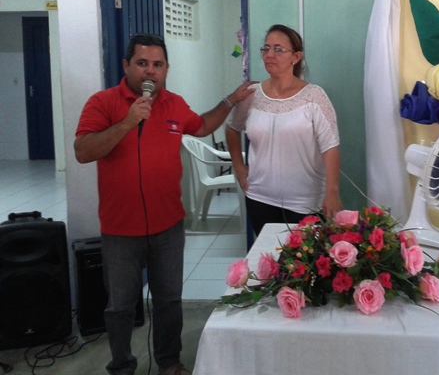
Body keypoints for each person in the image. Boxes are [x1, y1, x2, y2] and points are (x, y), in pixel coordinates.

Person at [74, 33, 255, 375]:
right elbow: (83, 151)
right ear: (126, 65)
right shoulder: (103, 102)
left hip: (168, 226)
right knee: (120, 306)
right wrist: (128, 122)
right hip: (120, 229)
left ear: (166, 69)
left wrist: (231, 100)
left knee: (169, 301)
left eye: (157, 65)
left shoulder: (174, 104)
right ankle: (122, 365)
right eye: (142, 63)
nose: (150, 71)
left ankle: (169, 362)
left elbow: (202, 125)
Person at [225, 24, 343, 236]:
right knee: (268, 255)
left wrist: (332, 191)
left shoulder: (314, 96)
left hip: (305, 202)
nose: (270, 54)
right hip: (259, 198)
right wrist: (238, 165)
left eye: (278, 49)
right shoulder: (251, 94)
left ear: (295, 57)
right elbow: (232, 128)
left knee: (305, 257)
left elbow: (330, 147)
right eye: (266, 48)